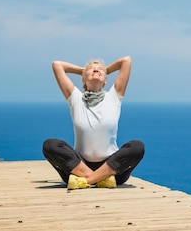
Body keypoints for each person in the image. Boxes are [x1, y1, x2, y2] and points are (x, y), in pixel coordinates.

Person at [42, 56, 145, 189]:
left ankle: (88, 180)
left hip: (112, 168)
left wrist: (98, 70)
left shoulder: (113, 97)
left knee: (137, 147)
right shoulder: (76, 99)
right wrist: (85, 71)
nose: (96, 70)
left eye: (100, 69)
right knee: (50, 145)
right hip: (78, 166)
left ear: (106, 80)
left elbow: (126, 61)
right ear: (84, 79)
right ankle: (101, 180)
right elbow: (57, 65)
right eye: (91, 69)